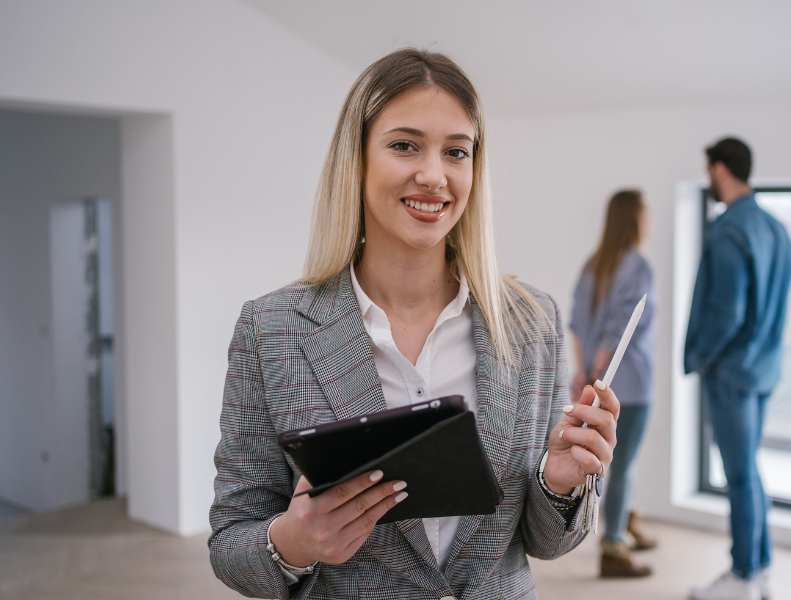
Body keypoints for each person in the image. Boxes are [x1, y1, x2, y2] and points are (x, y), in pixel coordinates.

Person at [208, 49, 623, 600]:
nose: (434, 176)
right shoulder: (271, 330)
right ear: (357, 159)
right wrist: (294, 540)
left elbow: (544, 544)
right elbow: (230, 545)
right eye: (404, 145)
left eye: (457, 152)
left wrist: (560, 485)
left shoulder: (531, 321)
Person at [685, 138, 791, 600]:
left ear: (720, 170)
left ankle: (742, 577)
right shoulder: (777, 230)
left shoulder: (729, 229)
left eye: (709, 170)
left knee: (739, 475)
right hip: (764, 369)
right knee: (748, 470)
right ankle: (760, 568)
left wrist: (703, 356)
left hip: (731, 370)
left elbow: (726, 312)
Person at [569, 190, 658, 578]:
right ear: (635, 219)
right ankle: (614, 545)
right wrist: (600, 372)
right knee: (621, 465)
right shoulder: (638, 265)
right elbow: (620, 327)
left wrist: (584, 371)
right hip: (630, 384)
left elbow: (576, 322)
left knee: (614, 463)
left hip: (592, 376)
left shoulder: (594, 263)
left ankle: (626, 519)